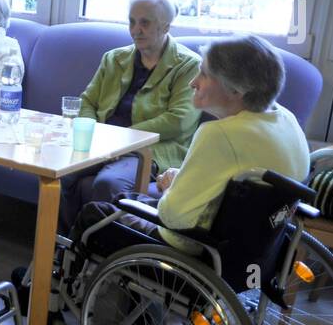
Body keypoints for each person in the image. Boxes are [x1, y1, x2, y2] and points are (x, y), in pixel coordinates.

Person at [70, 35, 309, 257]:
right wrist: (182, 182)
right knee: (124, 198)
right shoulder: (284, 119)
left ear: (236, 89)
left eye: (204, 74)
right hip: (253, 249)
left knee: (94, 215)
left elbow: (173, 217)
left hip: (191, 247)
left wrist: (169, 188)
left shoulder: (219, 134)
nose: (194, 82)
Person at [59, 0, 202, 230]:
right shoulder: (114, 59)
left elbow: (179, 120)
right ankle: (64, 248)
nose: (136, 30)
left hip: (151, 150)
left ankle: (100, 252)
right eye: (132, 21)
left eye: (145, 22)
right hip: (103, 141)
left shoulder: (188, 65)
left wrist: (122, 139)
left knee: (108, 182)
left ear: (165, 26)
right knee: (61, 171)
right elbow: (87, 102)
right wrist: (91, 133)